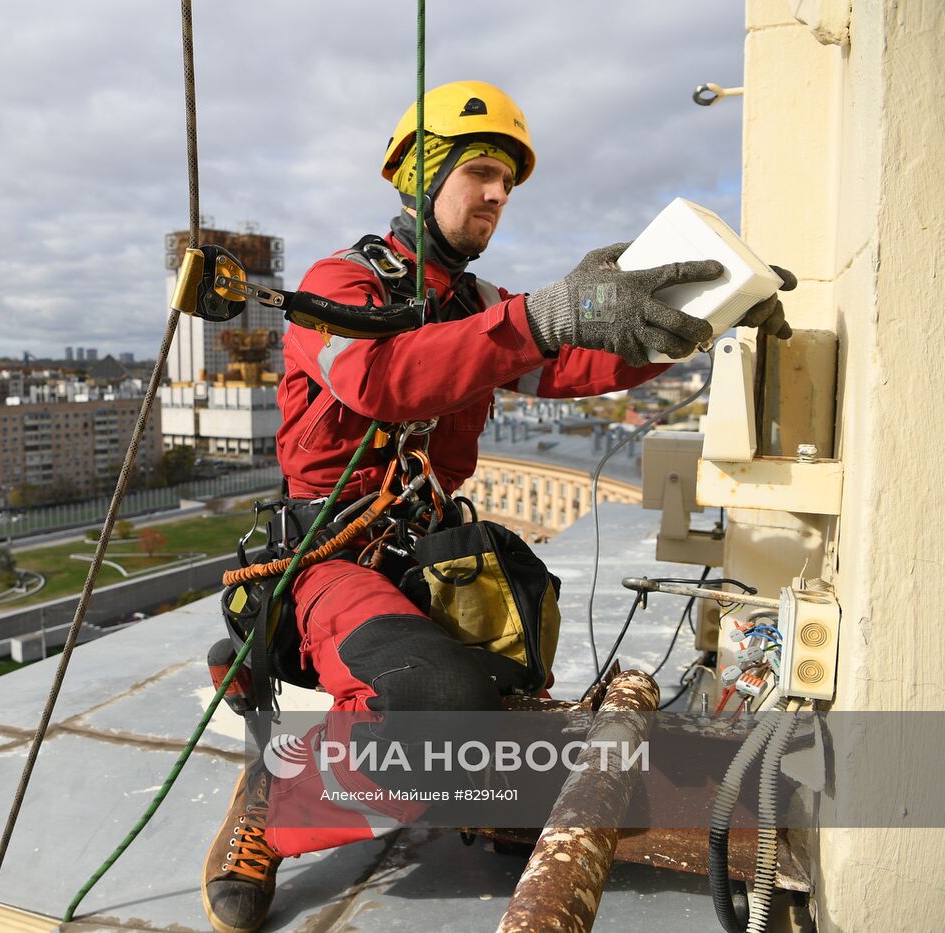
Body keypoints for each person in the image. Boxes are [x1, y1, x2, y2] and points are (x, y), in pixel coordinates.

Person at [200, 80, 794, 933]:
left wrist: (692, 317)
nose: (497, 196)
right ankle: (275, 795)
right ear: (418, 174)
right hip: (332, 561)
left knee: (514, 694)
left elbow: (567, 365)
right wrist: (548, 316)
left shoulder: (473, 306)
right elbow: (379, 377)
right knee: (438, 709)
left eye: (508, 183)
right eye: (480, 171)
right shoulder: (341, 286)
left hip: (430, 554)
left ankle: (355, 738)